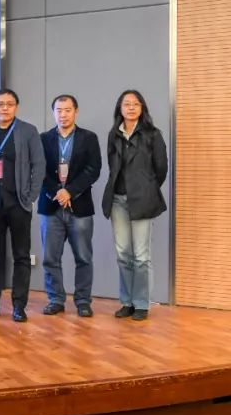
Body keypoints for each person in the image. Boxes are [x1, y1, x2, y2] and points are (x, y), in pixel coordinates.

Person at [0, 89, 45, 323]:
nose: (4, 108)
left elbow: (39, 165)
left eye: (9, 104)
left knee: (21, 256)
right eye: (0, 104)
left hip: (19, 203)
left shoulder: (28, 131)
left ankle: (19, 305)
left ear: (16, 107)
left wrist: (31, 196)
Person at [101, 90, 167, 321]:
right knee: (123, 254)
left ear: (142, 108)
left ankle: (141, 304)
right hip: (117, 200)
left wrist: (146, 188)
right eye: (126, 104)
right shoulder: (114, 135)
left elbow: (161, 169)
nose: (131, 108)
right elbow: (112, 166)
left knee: (141, 256)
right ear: (120, 108)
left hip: (142, 200)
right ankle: (127, 302)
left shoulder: (152, 135)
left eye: (135, 104)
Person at [38, 95, 102, 317]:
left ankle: (83, 301)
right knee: (50, 258)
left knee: (83, 257)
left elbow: (93, 169)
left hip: (79, 207)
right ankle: (55, 299)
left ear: (76, 111)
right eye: (59, 110)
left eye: (67, 110)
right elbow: (39, 170)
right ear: (53, 112)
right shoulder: (43, 139)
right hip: (51, 206)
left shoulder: (89, 138)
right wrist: (57, 192)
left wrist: (70, 191)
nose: (63, 114)